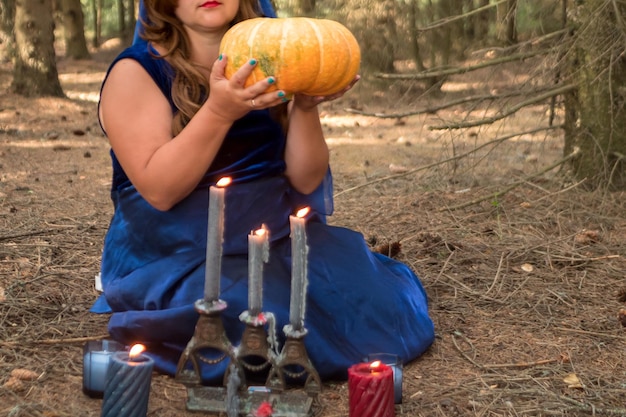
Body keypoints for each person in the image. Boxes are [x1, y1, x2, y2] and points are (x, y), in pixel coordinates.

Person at [90, 0, 435, 384]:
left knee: (366, 301)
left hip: (274, 243)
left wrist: (305, 106)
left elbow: (305, 181)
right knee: (260, 320)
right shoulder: (136, 71)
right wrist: (219, 111)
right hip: (177, 254)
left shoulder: (274, 62)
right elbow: (160, 191)